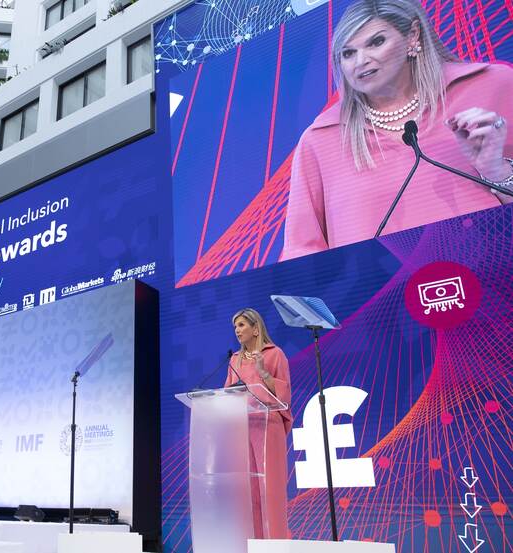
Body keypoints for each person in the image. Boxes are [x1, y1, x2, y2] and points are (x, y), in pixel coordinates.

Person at [281, 0, 513, 261]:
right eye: (348, 53)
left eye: (376, 42)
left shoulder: (495, 86)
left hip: (497, 283)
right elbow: (301, 254)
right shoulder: (321, 140)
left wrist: (498, 172)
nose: (361, 61)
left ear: (413, 35)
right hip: (386, 298)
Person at [225, 308, 292, 539]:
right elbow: (227, 393)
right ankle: (252, 544)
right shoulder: (234, 359)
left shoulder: (275, 354)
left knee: (269, 490)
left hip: (267, 425)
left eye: (242, 325)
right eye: (235, 327)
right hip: (242, 428)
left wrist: (263, 372)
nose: (237, 331)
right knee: (248, 492)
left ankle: (275, 544)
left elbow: (284, 396)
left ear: (256, 329)